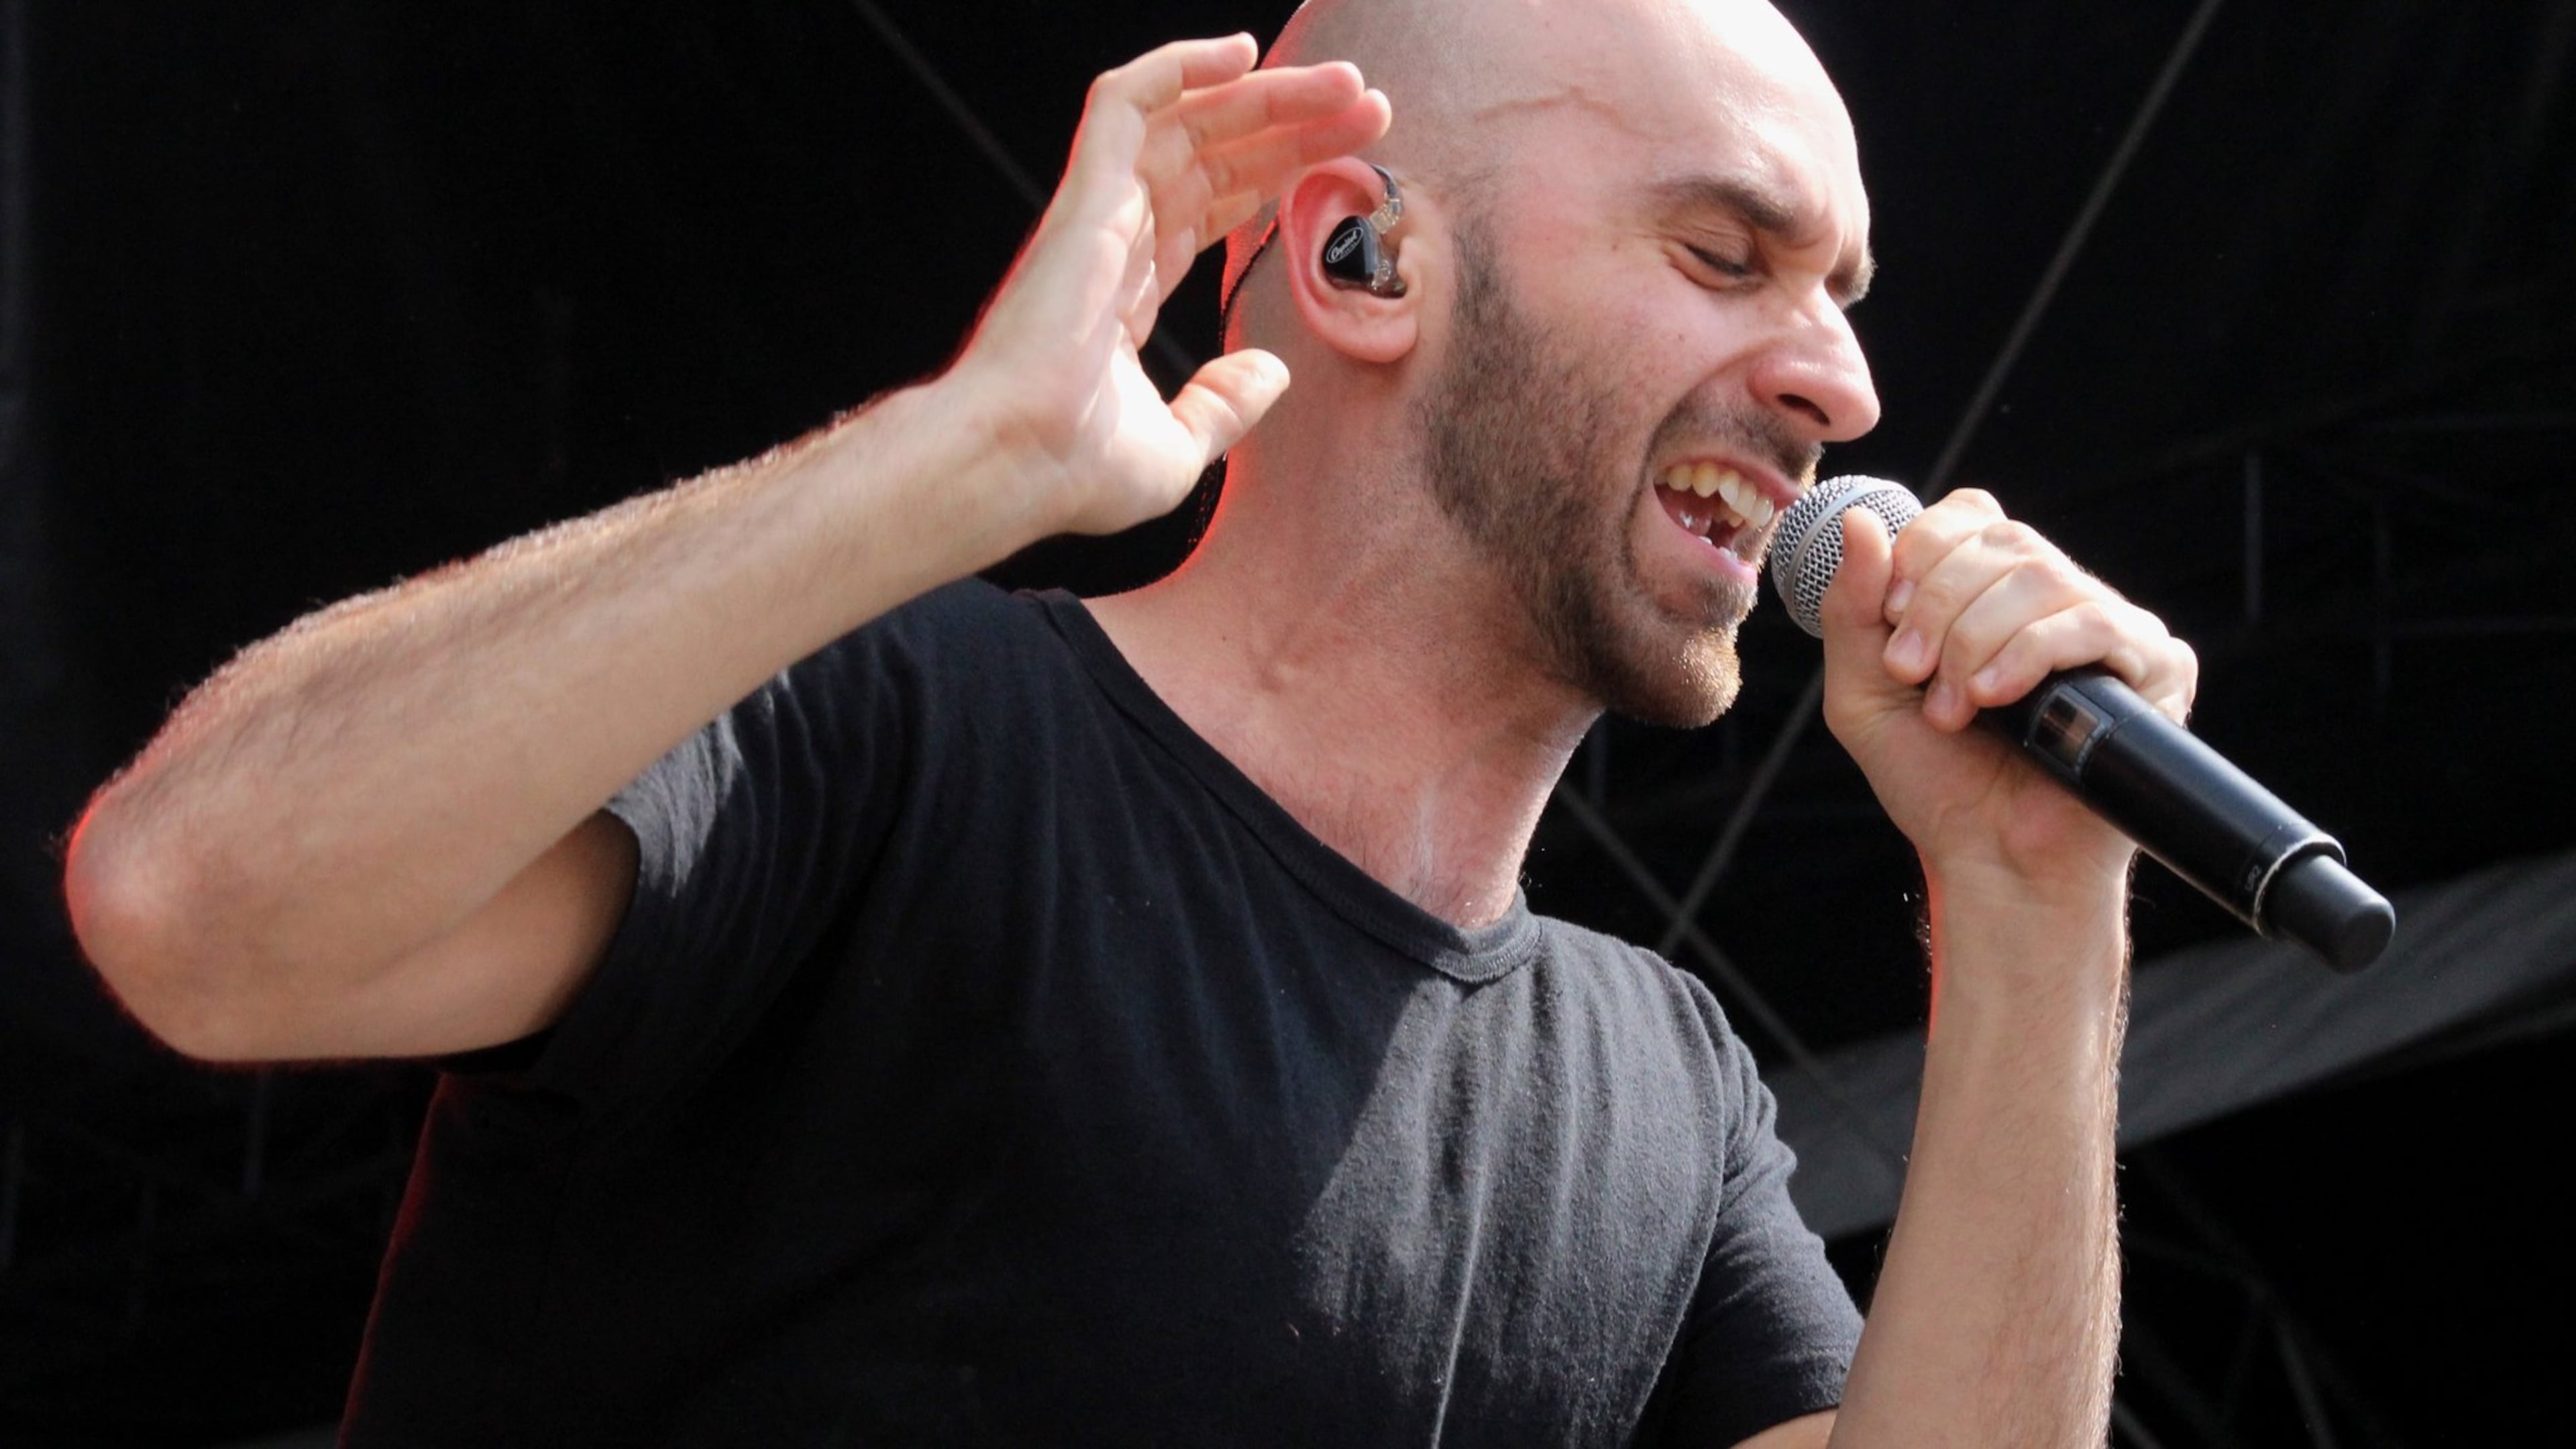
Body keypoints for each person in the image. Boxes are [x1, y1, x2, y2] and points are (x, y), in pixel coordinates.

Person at [65, 0, 2196, 1443]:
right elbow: (192, 907)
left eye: (1844, 293)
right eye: (1730, 252)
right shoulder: (895, 743)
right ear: (1360, 258)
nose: (1843, 385)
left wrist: (2036, 912)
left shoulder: (1663, 1084)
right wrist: (955, 461)